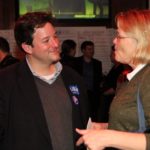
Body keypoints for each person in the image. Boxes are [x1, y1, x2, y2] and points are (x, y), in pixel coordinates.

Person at [0, 11, 90, 150]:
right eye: (46, 40)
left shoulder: (73, 77)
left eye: (55, 36)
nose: (55, 44)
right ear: (27, 47)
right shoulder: (6, 82)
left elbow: (85, 125)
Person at [76, 9, 150, 150]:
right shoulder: (134, 78)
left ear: (139, 41)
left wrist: (108, 137)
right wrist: (105, 128)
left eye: (118, 35)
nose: (114, 40)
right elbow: (135, 124)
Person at [75, 41, 103, 122]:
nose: (92, 51)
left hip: (94, 95)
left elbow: (99, 79)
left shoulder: (97, 63)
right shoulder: (76, 62)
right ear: (83, 50)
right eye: (89, 49)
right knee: (81, 115)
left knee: (94, 116)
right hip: (81, 93)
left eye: (92, 49)